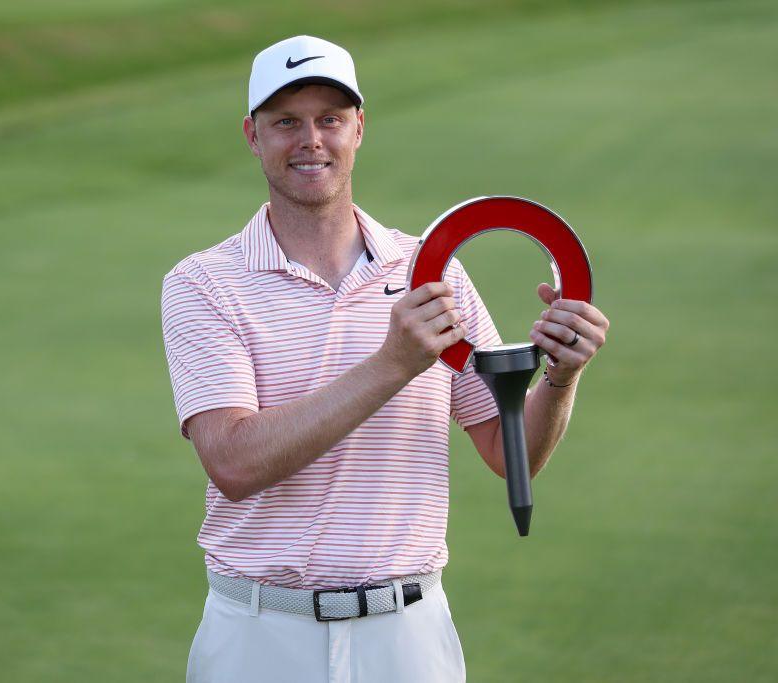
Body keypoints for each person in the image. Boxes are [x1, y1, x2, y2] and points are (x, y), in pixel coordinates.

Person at [160, 34, 610, 683]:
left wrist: (563, 379)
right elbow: (233, 460)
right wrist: (391, 364)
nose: (310, 139)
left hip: (406, 635)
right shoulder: (205, 283)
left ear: (359, 128)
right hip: (260, 634)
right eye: (286, 121)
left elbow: (512, 453)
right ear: (252, 136)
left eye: (330, 119)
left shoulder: (431, 270)